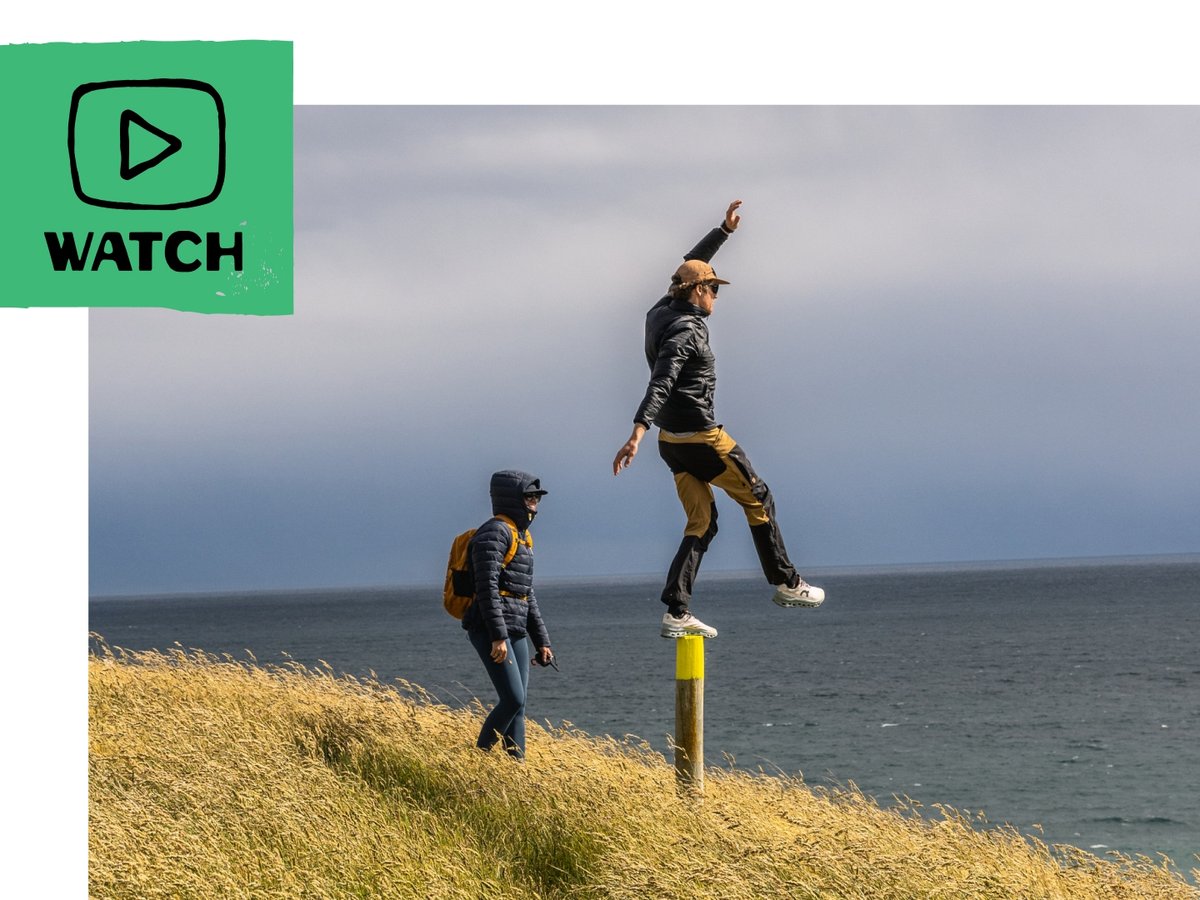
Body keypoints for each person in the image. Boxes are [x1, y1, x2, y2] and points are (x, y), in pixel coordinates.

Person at [612, 200, 825, 639]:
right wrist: (635, 432)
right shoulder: (686, 331)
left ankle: (677, 610)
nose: (716, 297)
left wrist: (722, 232)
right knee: (759, 498)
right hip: (703, 440)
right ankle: (787, 583)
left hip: (671, 444)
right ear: (696, 292)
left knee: (702, 523)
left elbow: (690, 265)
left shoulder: (660, 309)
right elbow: (661, 381)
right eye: (713, 290)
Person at [462, 469, 554, 758]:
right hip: (490, 628)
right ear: (512, 498)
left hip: (513, 628)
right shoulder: (494, 532)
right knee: (512, 698)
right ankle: (479, 761)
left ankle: (517, 769)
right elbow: (486, 587)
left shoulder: (523, 538)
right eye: (529, 498)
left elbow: (526, 594)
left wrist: (542, 642)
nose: (534, 505)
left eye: (536, 499)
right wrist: (497, 636)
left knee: (519, 703)